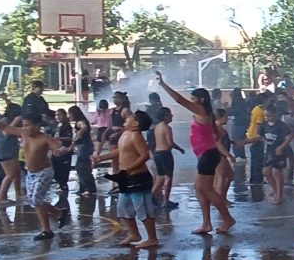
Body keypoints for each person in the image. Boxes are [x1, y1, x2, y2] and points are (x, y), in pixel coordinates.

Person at [155, 71, 235, 235]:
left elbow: (179, 99)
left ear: (201, 100)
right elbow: (218, 134)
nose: (191, 101)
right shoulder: (207, 114)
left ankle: (227, 219)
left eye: (193, 98)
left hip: (208, 154)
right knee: (199, 188)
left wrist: (163, 84)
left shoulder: (201, 111)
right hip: (206, 154)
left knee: (207, 189)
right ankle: (207, 223)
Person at [0, 112, 72, 240]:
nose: (25, 128)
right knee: (34, 200)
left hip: (44, 172)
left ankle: (46, 230)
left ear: (38, 126)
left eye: (28, 125)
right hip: (31, 173)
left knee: (35, 199)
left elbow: (57, 147)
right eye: (24, 125)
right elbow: (6, 128)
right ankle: (59, 212)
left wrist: (60, 151)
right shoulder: (23, 133)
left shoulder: (45, 138)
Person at [100, 110, 161, 248]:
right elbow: (121, 151)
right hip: (126, 177)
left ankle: (152, 238)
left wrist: (129, 169)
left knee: (143, 208)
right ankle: (134, 234)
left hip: (138, 178)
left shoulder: (136, 136)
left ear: (136, 124)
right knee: (124, 207)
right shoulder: (125, 133)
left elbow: (145, 155)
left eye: (130, 118)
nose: (127, 118)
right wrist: (102, 157)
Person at [251, 104, 291, 205]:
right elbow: (259, 136)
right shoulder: (264, 125)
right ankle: (276, 191)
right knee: (266, 173)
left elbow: (290, 136)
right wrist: (247, 141)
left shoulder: (281, 125)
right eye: (265, 116)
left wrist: (281, 147)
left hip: (279, 152)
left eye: (269, 116)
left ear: (275, 114)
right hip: (269, 152)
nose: (267, 118)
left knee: (276, 173)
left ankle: (279, 196)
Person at [153, 107, 184, 210]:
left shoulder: (157, 127)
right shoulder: (167, 128)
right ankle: (165, 201)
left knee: (160, 178)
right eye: (170, 114)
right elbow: (170, 143)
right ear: (165, 116)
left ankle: (150, 196)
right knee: (168, 178)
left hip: (157, 154)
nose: (172, 116)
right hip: (165, 154)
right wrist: (179, 149)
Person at [0, 102, 23, 204]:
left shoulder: (9, 120)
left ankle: (19, 193)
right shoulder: (5, 120)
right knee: (11, 174)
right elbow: (6, 132)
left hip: (10, 149)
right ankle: (1, 197)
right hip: (3, 150)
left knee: (17, 172)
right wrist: (16, 120)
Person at [68, 106, 97, 197]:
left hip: (84, 147)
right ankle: (84, 187)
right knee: (83, 167)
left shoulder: (79, 122)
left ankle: (88, 188)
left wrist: (78, 133)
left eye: (70, 114)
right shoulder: (82, 121)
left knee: (82, 167)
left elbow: (83, 127)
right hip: (86, 146)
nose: (69, 116)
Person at [52, 107, 74, 194]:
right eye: (56, 115)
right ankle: (60, 183)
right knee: (55, 167)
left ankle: (63, 186)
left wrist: (60, 138)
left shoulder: (67, 126)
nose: (57, 117)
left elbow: (69, 138)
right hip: (57, 150)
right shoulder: (56, 126)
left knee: (64, 169)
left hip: (65, 150)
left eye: (59, 115)